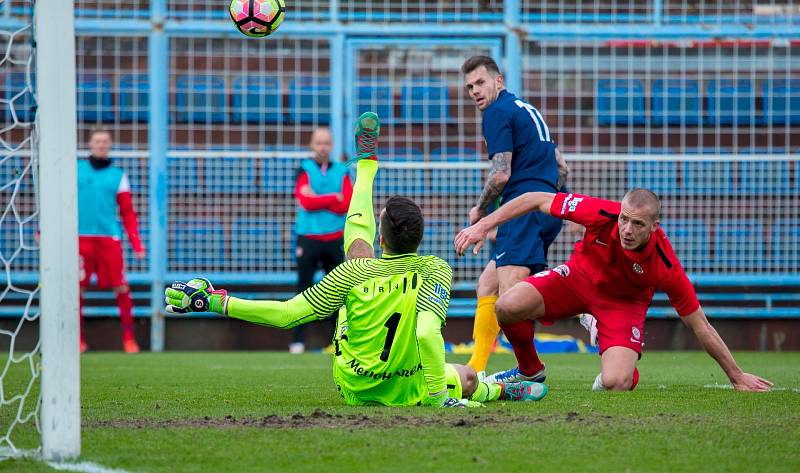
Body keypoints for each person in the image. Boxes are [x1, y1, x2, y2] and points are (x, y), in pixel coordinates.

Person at [164, 112, 547, 407]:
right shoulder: (435, 268)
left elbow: (285, 315)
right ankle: (499, 391)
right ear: (419, 238)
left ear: (383, 237)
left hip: (356, 384)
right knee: (464, 377)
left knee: (357, 259)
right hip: (408, 384)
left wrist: (212, 300)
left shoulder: (353, 271)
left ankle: (366, 167)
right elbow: (428, 334)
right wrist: (436, 398)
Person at [454, 188, 773, 392]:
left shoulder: (665, 263)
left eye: (638, 224)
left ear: (654, 227)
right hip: (576, 279)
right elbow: (536, 198)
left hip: (623, 305)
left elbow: (699, 323)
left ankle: (624, 364)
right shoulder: (602, 212)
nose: (627, 230)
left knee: (615, 383)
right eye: (624, 220)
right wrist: (484, 225)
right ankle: (530, 371)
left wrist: (736, 376)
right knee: (507, 305)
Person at [461, 55, 570, 378]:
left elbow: (500, 175)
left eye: (480, 82)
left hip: (522, 209)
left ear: (499, 81)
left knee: (510, 298)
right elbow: (562, 167)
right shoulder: (528, 110)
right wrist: (546, 201)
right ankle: (477, 368)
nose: (475, 91)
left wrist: (481, 211)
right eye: (469, 87)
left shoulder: (496, 113)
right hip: (548, 206)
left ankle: (531, 369)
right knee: (488, 284)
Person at [78, 128, 145, 354]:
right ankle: (77, 340)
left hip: (109, 239)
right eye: (97, 141)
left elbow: (127, 212)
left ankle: (129, 339)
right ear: (90, 143)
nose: (101, 144)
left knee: (121, 286)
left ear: (110, 144)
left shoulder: (118, 175)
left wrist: (136, 243)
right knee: (76, 289)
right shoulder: (75, 171)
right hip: (80, 239)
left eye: (105, 141)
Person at [291, 127, 353, 354]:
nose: (323, 147)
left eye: (326, 142)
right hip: (307, 237)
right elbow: (305, 201)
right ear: (311, 144)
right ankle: (297, 341)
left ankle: (335, 342)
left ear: (332, 145)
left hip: (334, 238)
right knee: (302, 291)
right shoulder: (304, 169)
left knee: (338, 292)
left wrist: (320, 199)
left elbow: (345, 203)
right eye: (319, 142)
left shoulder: (341, 171)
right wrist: (331, 197)